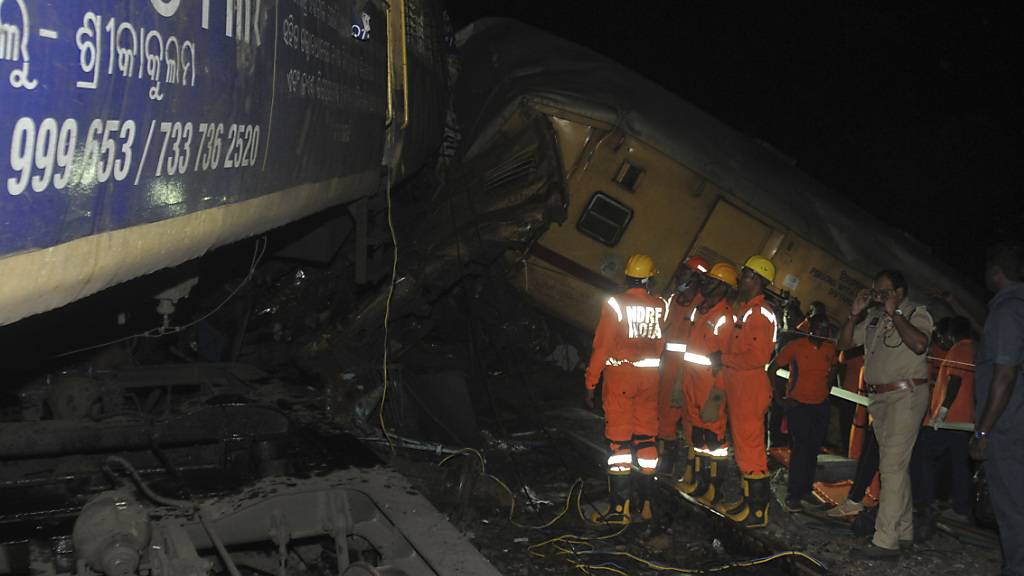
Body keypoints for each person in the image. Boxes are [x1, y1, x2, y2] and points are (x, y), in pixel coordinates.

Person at [838, 269, 933, 561]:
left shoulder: (917, 313)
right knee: (896, 466)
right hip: (879, 399)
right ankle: (904, 531)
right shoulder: (874, 319)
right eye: (875, 292)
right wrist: (854, 315)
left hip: (906, 396)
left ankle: (885, 541)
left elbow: (919, 344)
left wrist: (897, 315)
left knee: (890, 466)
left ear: (899, 293)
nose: (878, 297)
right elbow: (843, 345)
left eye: (884, 292)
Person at [585, 254, 668, 524]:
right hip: (650, 379)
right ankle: (646, 505)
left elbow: (602, 346)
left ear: (627, 276)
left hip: (622, 377)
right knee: (646, 439)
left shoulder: (616, 304)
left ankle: (619, 511)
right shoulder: (660, 305)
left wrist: (590, 382)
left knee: (619, 443)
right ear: (650, 278)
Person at [711, 255, 779, 528]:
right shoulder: (748, 310)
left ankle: (757, 512)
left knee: (751, 451)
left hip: (750, 388)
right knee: (743, 449)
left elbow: (758, 357)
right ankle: (746, 503)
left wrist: (723, 359)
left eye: (748, 275)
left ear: (759, 280)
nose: (742, 279)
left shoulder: (760, 314)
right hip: (740, 387)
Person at [969, 241, 1024, 576]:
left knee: (1013, 511)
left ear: (995, 273)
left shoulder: (1007, 310)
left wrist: (983, 431)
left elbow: (1004, 376)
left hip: (1007, 427)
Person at [675, 262, 737, 506]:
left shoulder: (725, 318)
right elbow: (690, 348)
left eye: (712, 281)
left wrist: (716, 396)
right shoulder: (700, 309)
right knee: (698, 437)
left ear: (723, 287)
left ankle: (714, 489)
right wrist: (680, 382)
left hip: (710, 386)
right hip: (692, 381)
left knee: (715, 442)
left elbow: (725, 361)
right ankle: (700, 483)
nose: (706, 283)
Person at [911, 316, 976, 528]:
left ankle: (925, 502)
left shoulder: (960, 349)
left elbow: (955, 381)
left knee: (924, 456)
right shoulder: (973, 348)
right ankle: (960, 508)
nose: (940, 341)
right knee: (959, 465)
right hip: (962, 420)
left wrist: (942, 412)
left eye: (940, 336)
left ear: (950, 334)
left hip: (949, 419)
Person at [772, 315, 838, 511]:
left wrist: (828, 387)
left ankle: (806, 490)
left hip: (820, 405)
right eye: (819, 328)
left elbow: (834, 366)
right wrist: (779, 399)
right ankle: (793, 495)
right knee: (800, 450)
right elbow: (773, 368)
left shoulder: (829, 348)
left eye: (826, 329)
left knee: (813, 450)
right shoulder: (796, 346)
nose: (822, 333)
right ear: (811, 329)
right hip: (798, 405)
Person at [657, 256, 709, 481]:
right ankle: (663, 465)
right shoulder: (672, 300)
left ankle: (692, 473)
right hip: (666, 368)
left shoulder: (701, 307)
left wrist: (680, 379)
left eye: (686, 272)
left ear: (696, 278)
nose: (680, 274)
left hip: (686, 373)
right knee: (663, 418)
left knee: (690, 423)